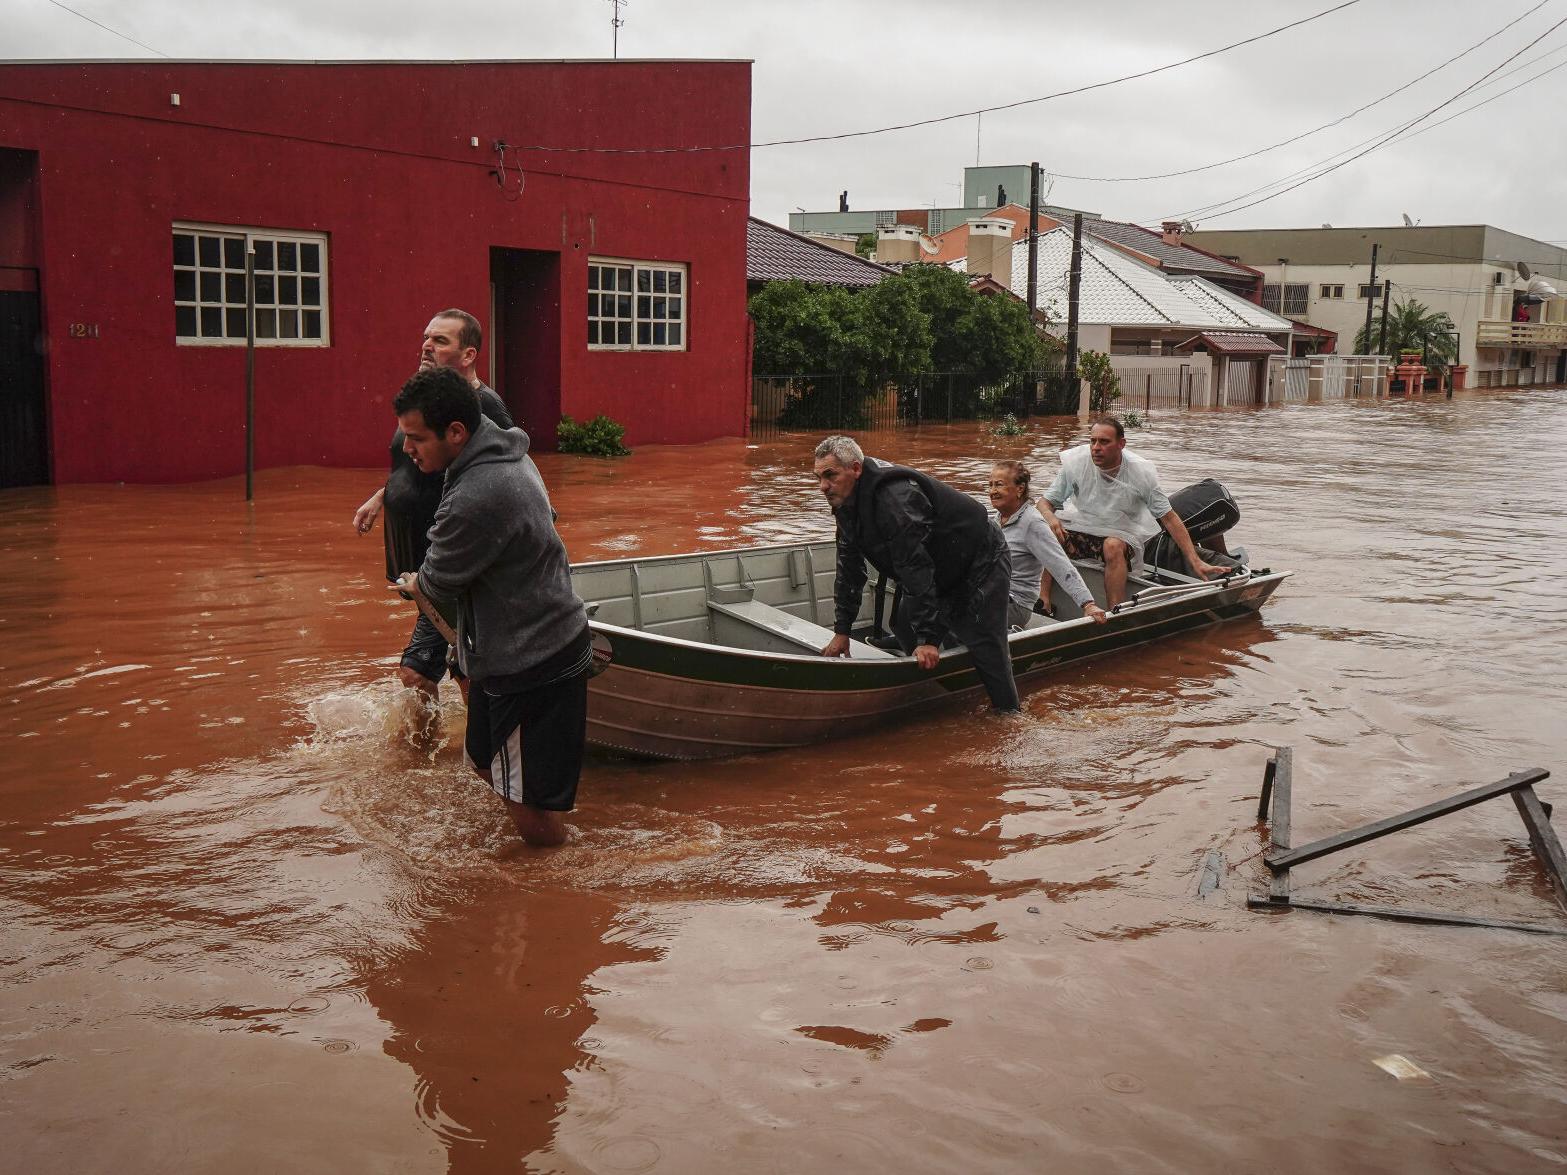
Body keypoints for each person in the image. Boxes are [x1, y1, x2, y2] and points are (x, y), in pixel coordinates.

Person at [390, 366, 589, 848]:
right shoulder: (505, 451)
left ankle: (556, 882)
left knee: (526, 804)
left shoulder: (479, 493)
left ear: (456, 431)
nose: (407, 450)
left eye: (416, 439)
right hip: (510, 647)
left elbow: (435, 582)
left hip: (531, 660)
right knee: (483, 760)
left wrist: (420, 574)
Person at [353, 309, 515, 697]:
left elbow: (512, 471)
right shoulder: (425, 397)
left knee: (418, 675)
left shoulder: (485, 406)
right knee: (462, 662)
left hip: (454, 561)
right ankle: (467, 745)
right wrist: (383, 496)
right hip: (426, 559)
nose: (426, 346)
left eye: (440, 340)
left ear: (468, 355)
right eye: (426, 337)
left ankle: (455, 752)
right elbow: (414, 460)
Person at [813, 435, 1019, 713]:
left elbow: (915, 565)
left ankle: (1008, 715)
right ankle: (935, 698)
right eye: (818, 478)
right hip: (940, 566)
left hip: (981, 558)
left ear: (856, 469)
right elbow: (849, 569)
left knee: (984, 639)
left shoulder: (895, 499)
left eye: (830, 475)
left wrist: (929, 640)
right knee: (903, 623)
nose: (823, 486)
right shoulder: (845, 502)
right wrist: (842, 631)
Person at [1036, 416, 1222, 608]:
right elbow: (1044, 503)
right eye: (1093, 441)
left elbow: (1169, 518)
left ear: (1121, 444)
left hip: (1122, 535)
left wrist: (1195, 560)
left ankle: (1115, 611)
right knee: (1050, 531)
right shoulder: (1076, 463)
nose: (1096, 447)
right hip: (1082, 526)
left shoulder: (1140, 473)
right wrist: (1050, 517)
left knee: (1113, 546)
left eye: (1104, 442)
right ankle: (1044, 600)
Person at [988, 460, 1108, 629]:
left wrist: (1088, 603)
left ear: (1020, 489)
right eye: (990, 485)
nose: (992, 491)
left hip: (1015, 605)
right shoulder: (996, 520)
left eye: (999, 485)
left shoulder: (1032, 523)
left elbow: (1061, 565)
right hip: (994, 595)